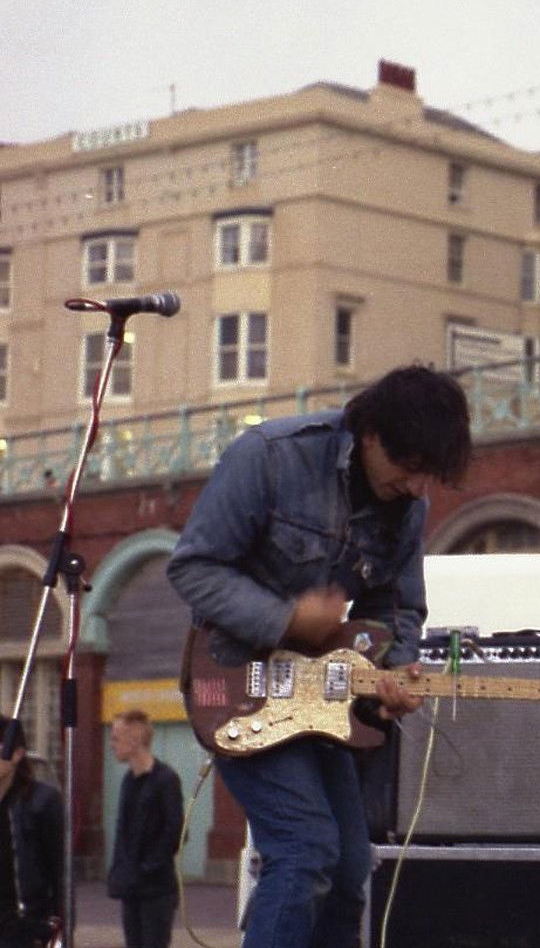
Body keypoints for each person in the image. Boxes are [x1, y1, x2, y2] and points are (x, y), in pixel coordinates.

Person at [168, 364, 472, 948]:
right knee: (305, 849)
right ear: (371, 435)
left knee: (351, 866)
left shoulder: (407, 505)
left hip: (322, 700)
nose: (416, 488)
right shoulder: (269, 456)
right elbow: (192, 567)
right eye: (409, 469)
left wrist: (395, 668)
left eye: (428, 476)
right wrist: (286, 619)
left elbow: (399, 606)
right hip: (236, 684)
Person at [108, 709, 184, 948]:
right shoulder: (129, 781)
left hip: (156, 889)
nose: (112, 745)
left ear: (134, 740)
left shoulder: (165, 779)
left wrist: (148, 867)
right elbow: (124, 833)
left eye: (116, 738)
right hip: (132, 888)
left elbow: (175, 831)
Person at [0, 719, 61, 948]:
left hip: (23, 926)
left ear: (16, 754)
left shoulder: (41, 801)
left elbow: (59, 872)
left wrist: (56, 930)